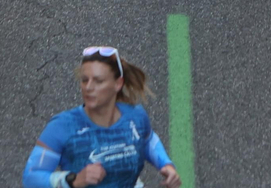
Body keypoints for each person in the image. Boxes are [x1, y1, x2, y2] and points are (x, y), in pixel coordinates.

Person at [22, 48, 182, 188]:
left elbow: (147, 140)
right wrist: (72, 180)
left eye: (98, 81)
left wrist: (166, 164)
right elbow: (31, 177)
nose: (89, 87)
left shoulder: (135, 117)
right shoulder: (63, 126)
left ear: (118, 84)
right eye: (85, 80)